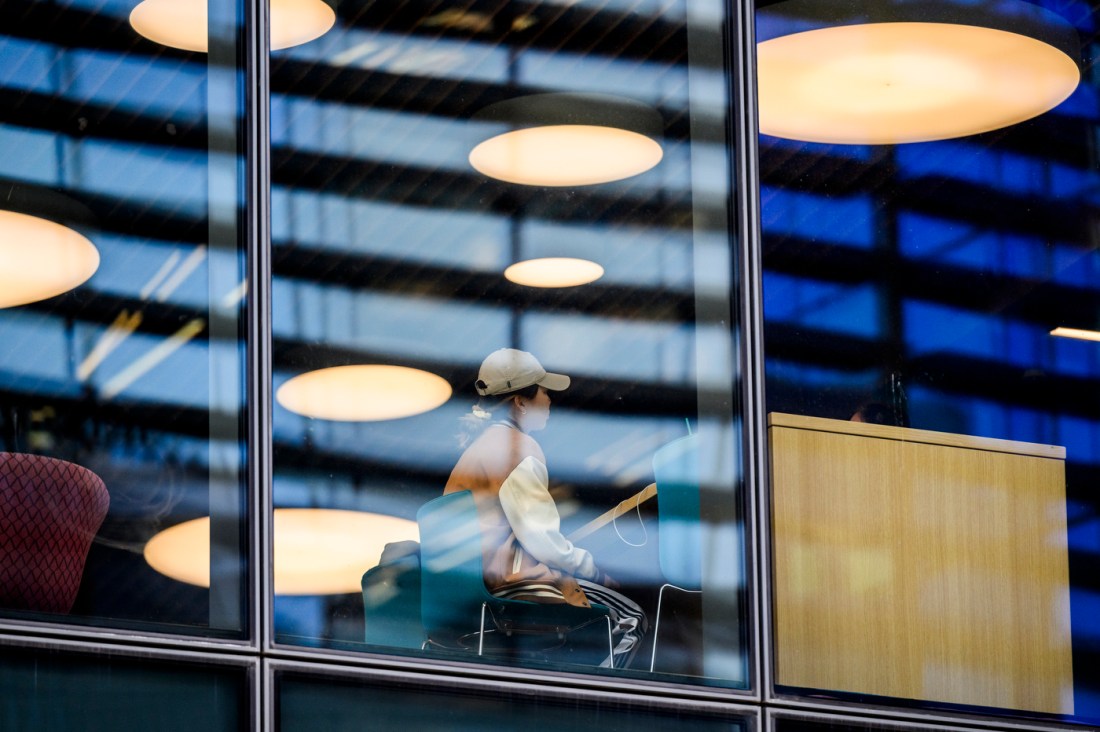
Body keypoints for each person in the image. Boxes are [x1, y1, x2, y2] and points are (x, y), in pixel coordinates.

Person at [444, 348, 647, 668]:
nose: (550, 400)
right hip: (513, 586)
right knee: (631, 618)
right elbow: (544, 543)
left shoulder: (477, 448)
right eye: (544, 391)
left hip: (475, 587)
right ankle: (597, 709)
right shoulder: (517, 448)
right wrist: (595, 572)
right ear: (520, 402)